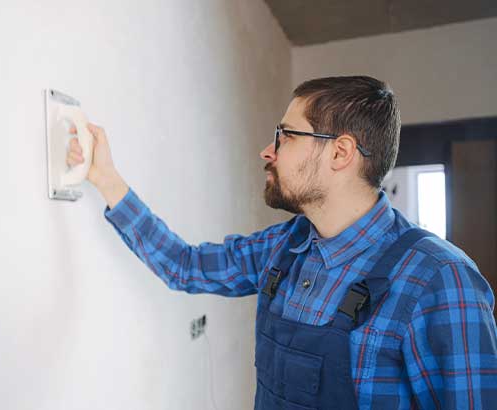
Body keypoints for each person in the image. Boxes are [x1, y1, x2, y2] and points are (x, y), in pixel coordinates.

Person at [65, 76, 497, 409]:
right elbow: (186, 265)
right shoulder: (285, 247)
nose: (266, 151)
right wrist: (105, 177)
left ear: (340, 153)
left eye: (286, 135)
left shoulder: (439, 280)